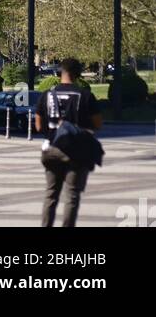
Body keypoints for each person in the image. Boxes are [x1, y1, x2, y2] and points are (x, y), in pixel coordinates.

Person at [35, 57, 102, 228]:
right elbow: (97, 124)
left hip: (51, 150)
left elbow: (38, 125)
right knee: (71, 196)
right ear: (78, 74)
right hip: (76, 152)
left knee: (51, 194)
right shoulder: (85, 96)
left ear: (60, 72)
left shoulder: (47, 95)